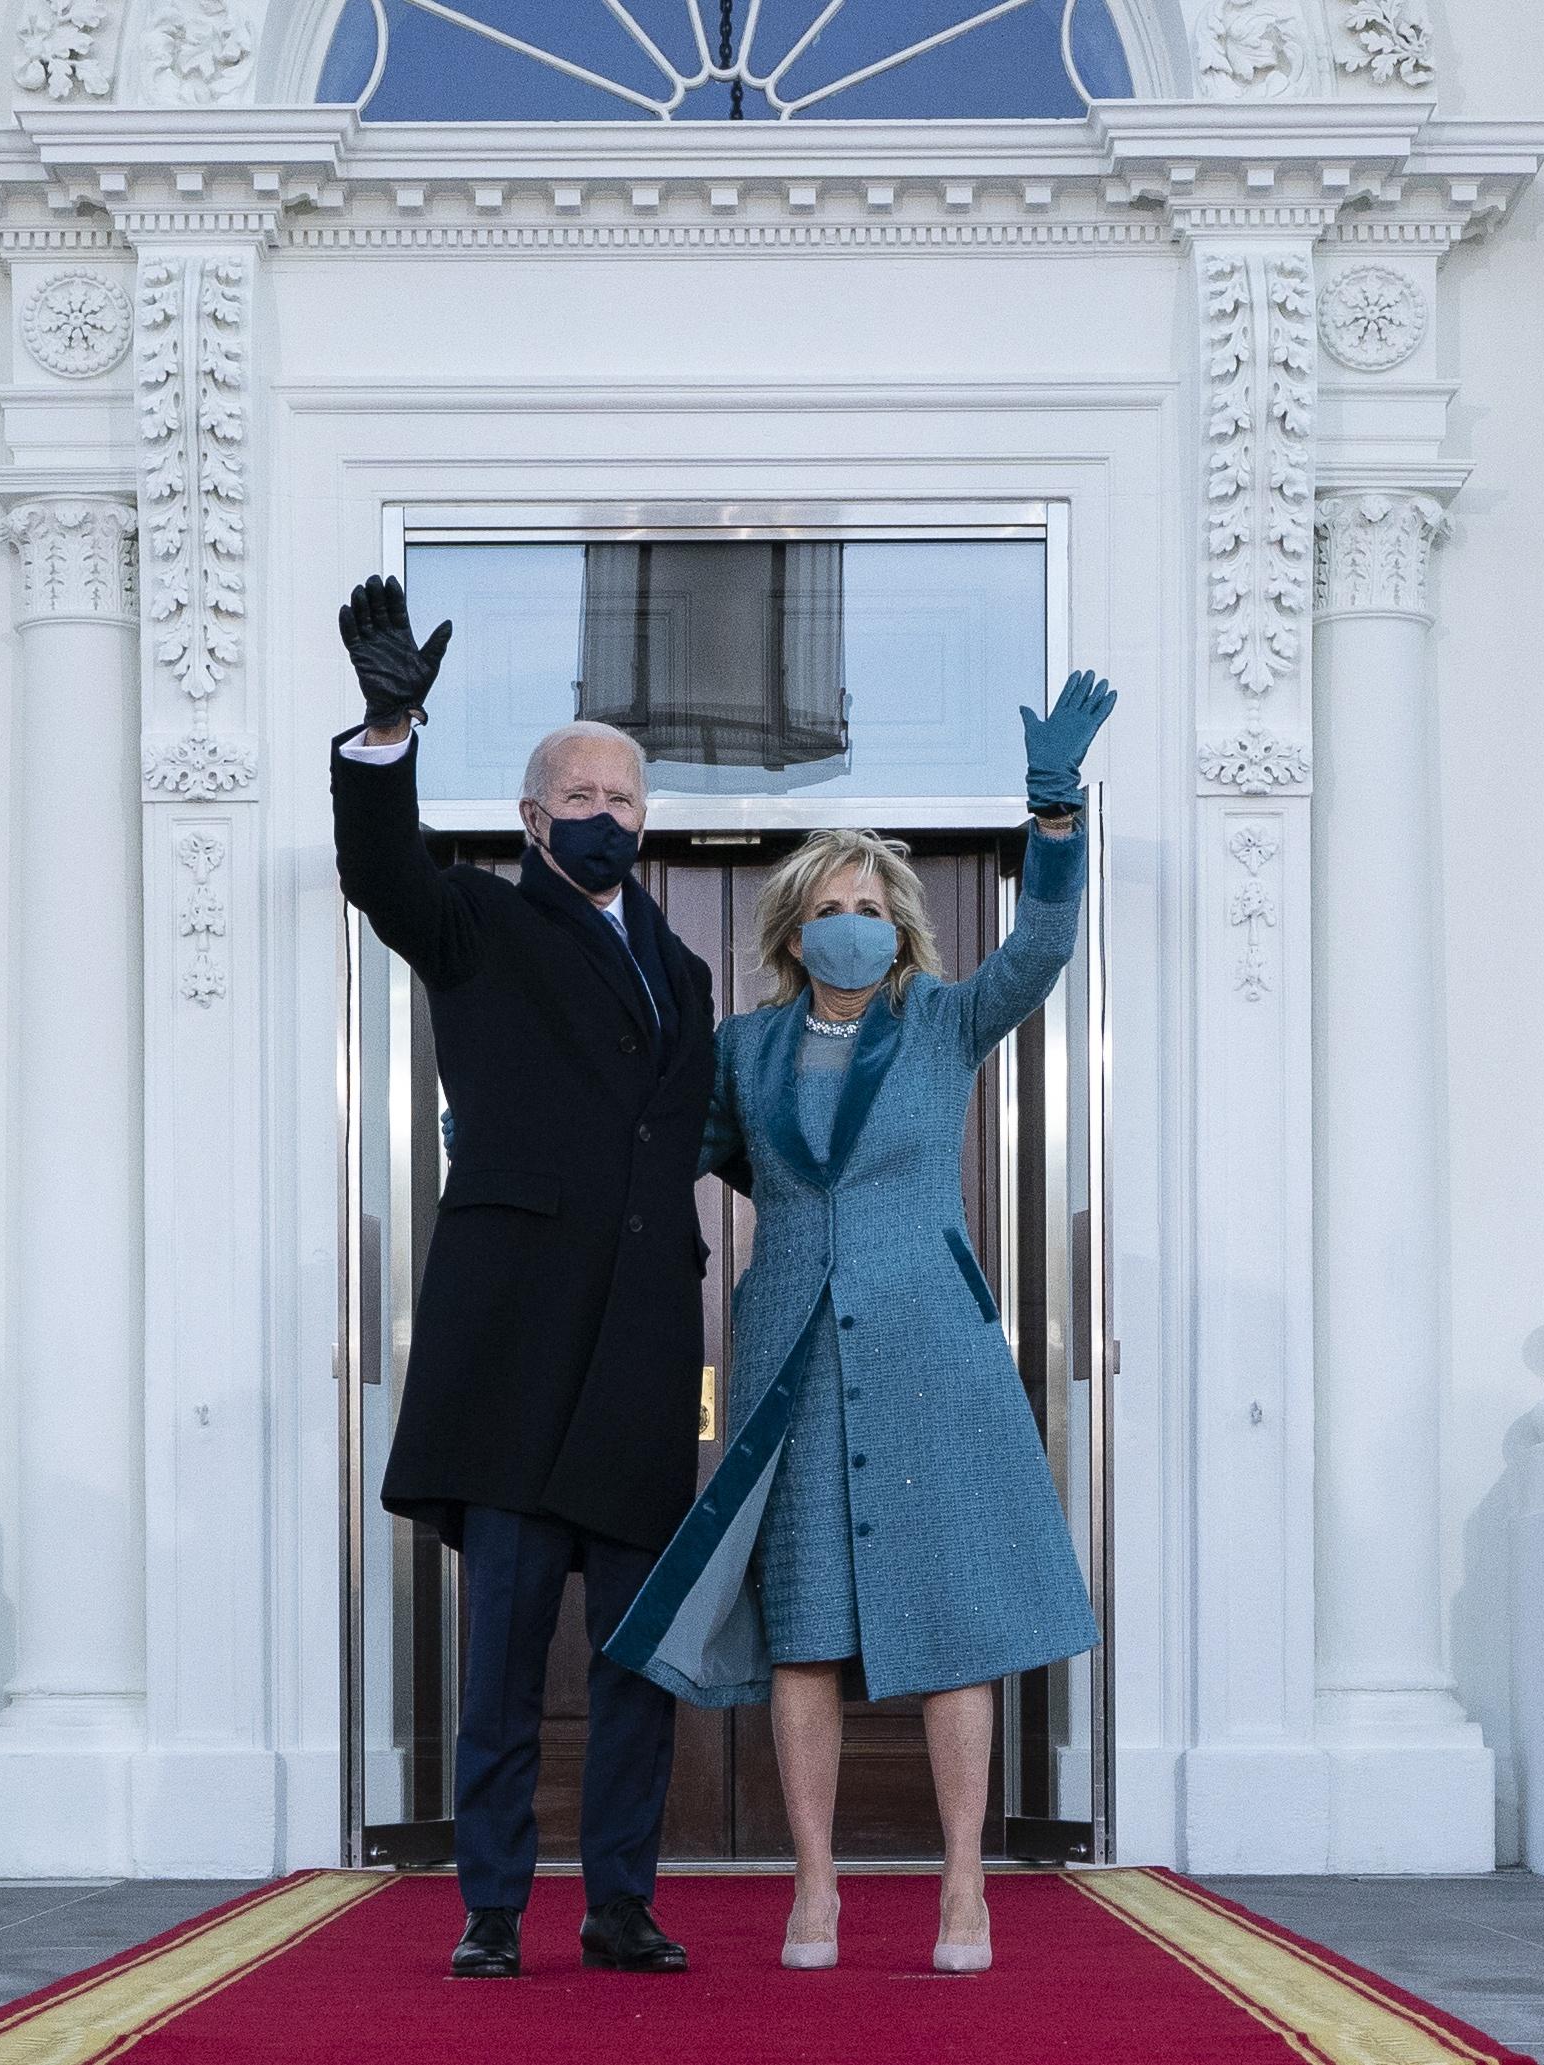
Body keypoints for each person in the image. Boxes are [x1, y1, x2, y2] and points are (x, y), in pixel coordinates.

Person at [608, 670, 1116, 1975]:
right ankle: (816, 1888)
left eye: (868, 905)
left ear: (900, 925)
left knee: (950, 1620)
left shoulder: (943, 1022)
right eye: (827, 908)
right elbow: (703, 1152)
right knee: (807, 1629)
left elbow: (1043, 950)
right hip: (787, 1358)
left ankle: (961, 1886)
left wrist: (1052, 817)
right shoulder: (745, 1047)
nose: (849, 922)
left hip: (929, 1352)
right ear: (794, 931)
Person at [329, 574, 720, 1979]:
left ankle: (619, 1899)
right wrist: (387, 732)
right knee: (497, 1669)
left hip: (634, 1370)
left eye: (626, 791)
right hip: (510, 1363)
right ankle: (492, 1908)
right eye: (580, 790)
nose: (607, 808)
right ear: (534, 817)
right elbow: (382, 873)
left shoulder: (682, 969)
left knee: (636, 1667)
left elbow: (705, 1134)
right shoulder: (479, 925)